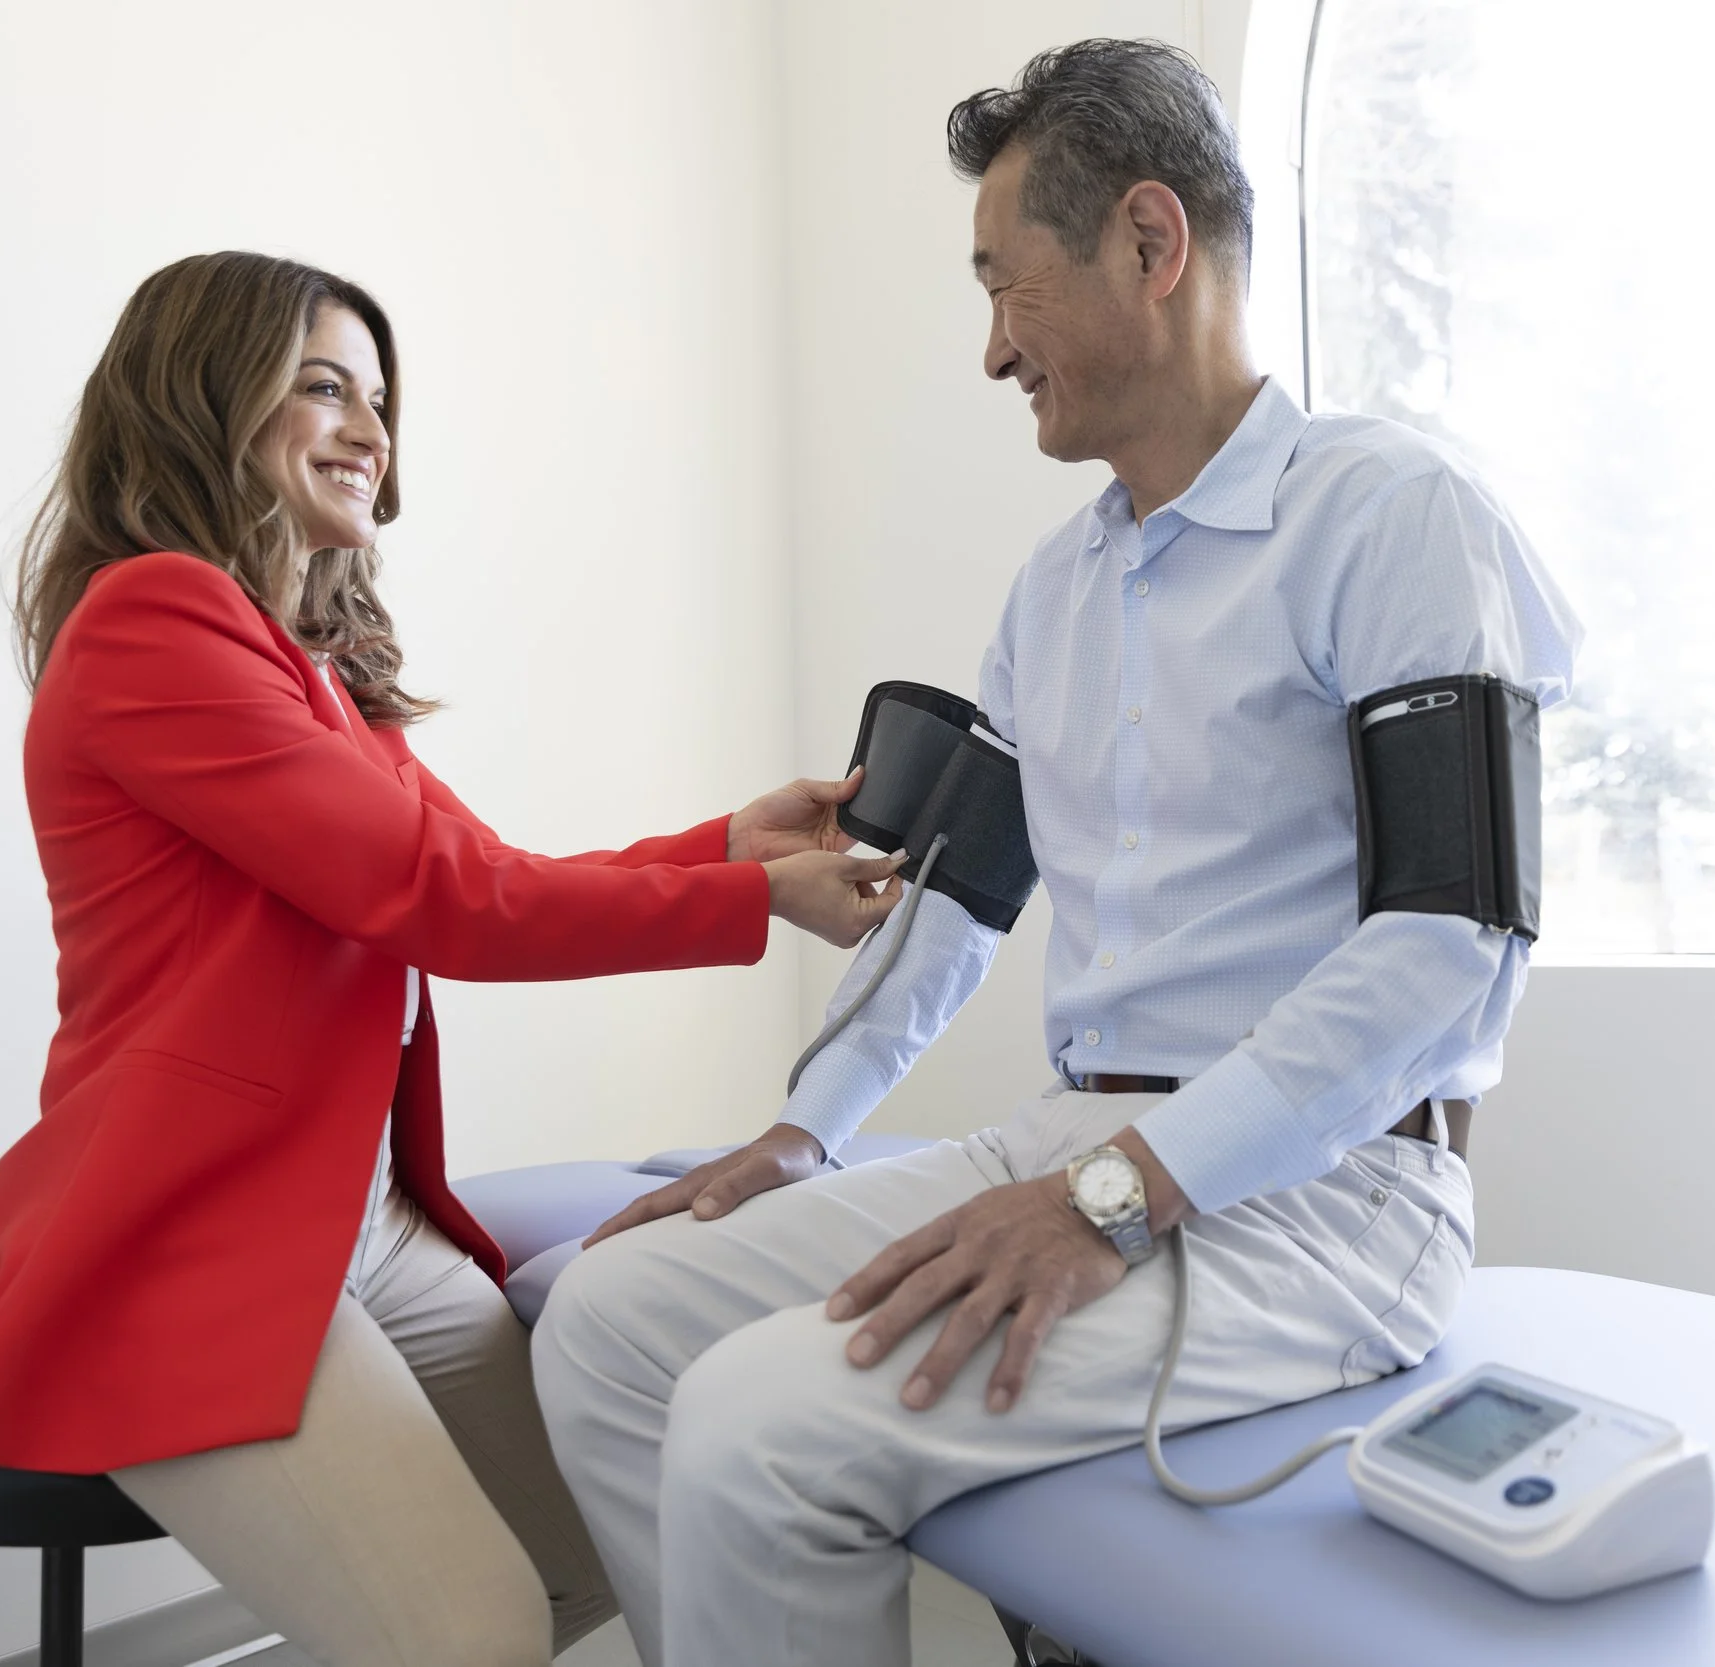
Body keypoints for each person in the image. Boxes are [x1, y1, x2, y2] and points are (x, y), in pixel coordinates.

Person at [531, 37, 1583, 1667]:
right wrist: (811, 1129)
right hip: (1078, 1141)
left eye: (1004, 287)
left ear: (1149, 246)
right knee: (610, 1326)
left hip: (1326, 1200)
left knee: (757, 1415)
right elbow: (960, 899)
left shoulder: (1390, 517)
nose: (989, 351)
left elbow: (1449, 949)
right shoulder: (1057, 591)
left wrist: (1118, 1192)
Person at [0, 251, 903, 1667]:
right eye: (322, 387)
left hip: (359, 1223)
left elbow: (486, 872)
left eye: (379, 396)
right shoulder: (149, 625)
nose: (371, 428)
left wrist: (731, 847)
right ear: (203, 400)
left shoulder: (308, 671)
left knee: (611, 1534)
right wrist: (756, 904)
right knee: (475, 1632)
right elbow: (449, 899)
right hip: (195, 1236)